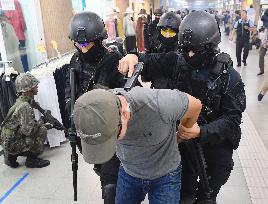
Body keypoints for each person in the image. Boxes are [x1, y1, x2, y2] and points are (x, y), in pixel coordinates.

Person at [118, 11, 246, 203]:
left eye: (194, 50)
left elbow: (232, 121)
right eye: (185, 49)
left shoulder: (229, 77)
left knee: (207, 198)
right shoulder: (177, 61)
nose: (188, 55)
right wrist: (133, 56)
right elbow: (151, 61)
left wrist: (200, 131)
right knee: (183, 197)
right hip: (183, 150)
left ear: (211, 46)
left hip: (213, 151)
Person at [73, 87, 202, 204]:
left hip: (166, 175)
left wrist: (184, 129)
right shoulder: (94, 110)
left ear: (124, 114)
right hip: (129, 172)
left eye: (112, 137)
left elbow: (195, 105)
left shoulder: (159, 103)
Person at [66, 11, 125, 204]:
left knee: (111, 185)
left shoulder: (114, 60)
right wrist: (72, 120)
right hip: (87, 127)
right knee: (101, 169)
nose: (83, 49)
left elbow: (131, 96)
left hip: (111, 129)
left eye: (87, 44)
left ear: (99, 40)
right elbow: (70, 92)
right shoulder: (75, 61)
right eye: (79, 44)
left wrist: (111, 95)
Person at [1, 73, 51, 168]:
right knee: (42, 130)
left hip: (7, 141)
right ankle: (32, 160)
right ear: (29, 88)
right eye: (34, 85)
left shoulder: (20, 101)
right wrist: (42, 120)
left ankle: (11, 156)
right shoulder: (25, 106)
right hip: (12, 143)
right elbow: (29, 131)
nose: (37, 86)